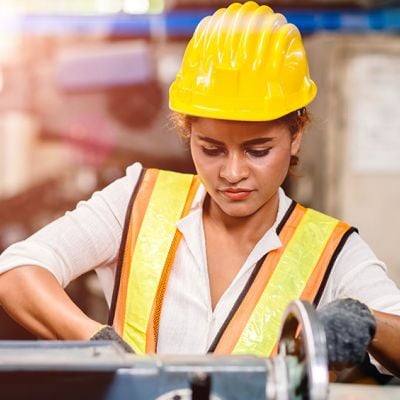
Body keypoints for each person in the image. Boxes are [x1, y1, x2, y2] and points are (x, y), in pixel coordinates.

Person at [0, 1, 399, 378]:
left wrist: (369, 322)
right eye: (210, 149)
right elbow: (17, 270)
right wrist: (97, 346)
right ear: (186, 131)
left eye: (257, 150)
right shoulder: (136, 201)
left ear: (297, 134)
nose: (232, 172)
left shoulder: (332, 250)